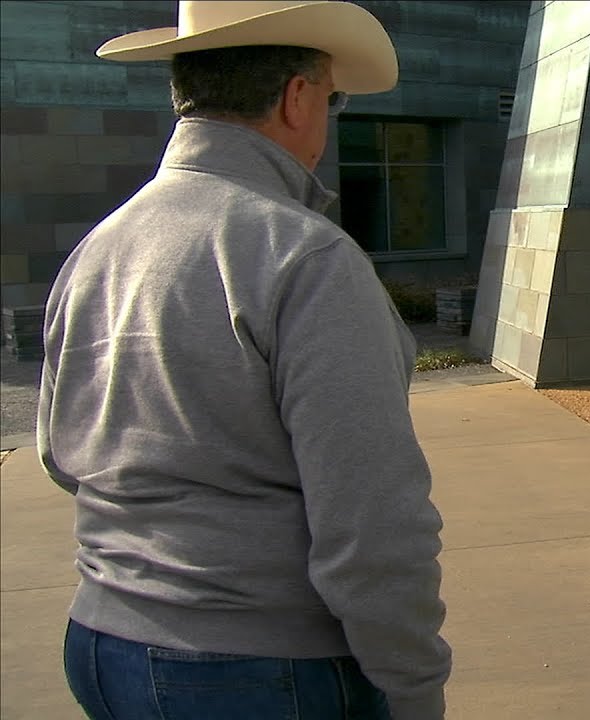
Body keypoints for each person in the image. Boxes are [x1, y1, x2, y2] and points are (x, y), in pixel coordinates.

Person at [37, 2, 450, 717]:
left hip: (101, 640)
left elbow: (56, 452)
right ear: (296, 97)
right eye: (332, 96)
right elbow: (370, 520)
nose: (329, 117)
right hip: (260, 668)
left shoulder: (100, 247)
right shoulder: (304, 255)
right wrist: (413, 686)